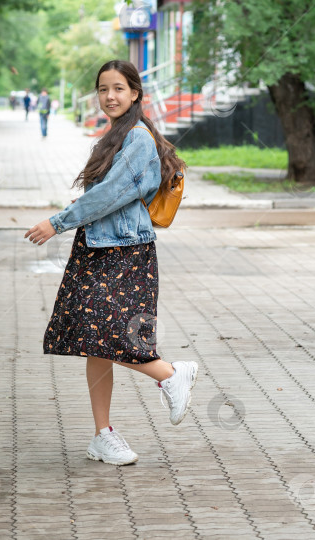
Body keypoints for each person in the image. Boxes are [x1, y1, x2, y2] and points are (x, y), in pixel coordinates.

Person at [25, 60, 196, 466]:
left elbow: (110, 197)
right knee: (92, 342)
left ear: (136, 93)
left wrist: (57, 222)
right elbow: (105, 198)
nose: (110, 96)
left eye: (119, 88)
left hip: (125, 253)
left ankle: (171, 375)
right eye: (103, 89)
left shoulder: (137, 140)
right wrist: (79, 214)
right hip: (98, 248)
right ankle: (103, 435)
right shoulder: (114, 137)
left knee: (109, 335)